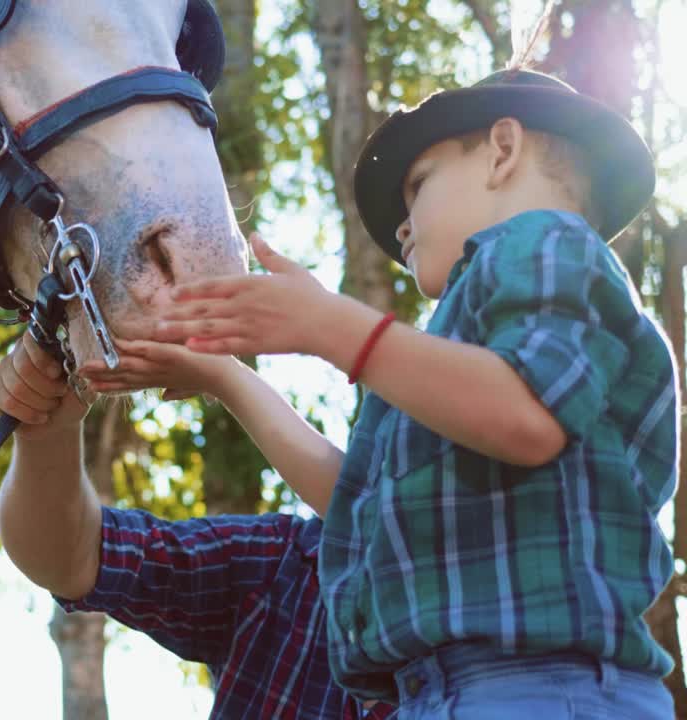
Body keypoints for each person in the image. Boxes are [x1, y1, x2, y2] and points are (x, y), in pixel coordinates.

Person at [84, 69, 677, 718]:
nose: (401, 227)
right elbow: (358, 505)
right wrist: (229, 376)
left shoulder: (542, 240)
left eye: (417, 184)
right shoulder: (448, 360)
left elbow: (526, 416)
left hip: (540, 690)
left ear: (503, 150)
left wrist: (330, 325)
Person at [0, 333, 394, 719]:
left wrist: (226, 375)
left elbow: (376, 524)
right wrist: (46, 435)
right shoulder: (282, 569)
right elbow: (73, 560)